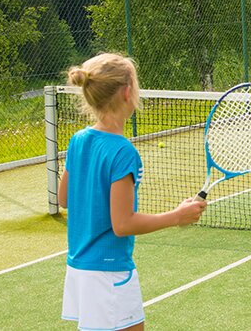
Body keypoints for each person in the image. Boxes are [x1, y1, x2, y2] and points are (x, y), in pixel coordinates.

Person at [58, 53, 207, 331]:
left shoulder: (78, 140)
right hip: (109, 271)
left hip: (79, 268)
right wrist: (178, 216)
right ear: (128, 92)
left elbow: (64, 199)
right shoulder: (122, 151)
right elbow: (123, 224)